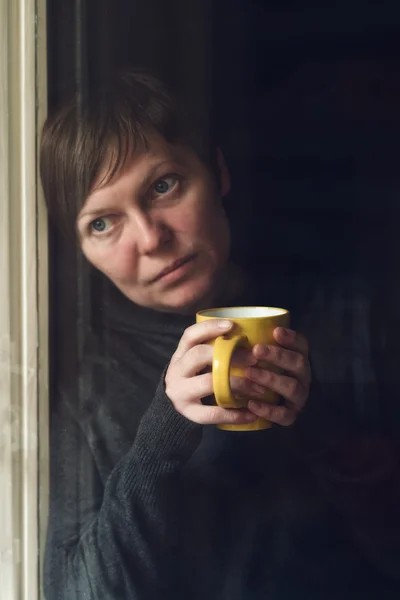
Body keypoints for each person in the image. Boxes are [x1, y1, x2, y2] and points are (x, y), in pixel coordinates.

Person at [40, 70, 400, 599]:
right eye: (102, 223)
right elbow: (77, 592)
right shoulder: (83, 389)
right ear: (79, 253)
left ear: (218, 171)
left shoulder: (350, 315)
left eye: (164, 186)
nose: (151, 238)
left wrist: (320, 428)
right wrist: (163, 434)